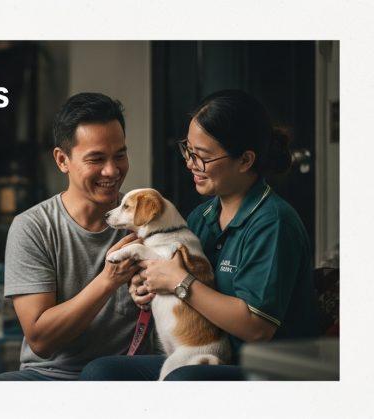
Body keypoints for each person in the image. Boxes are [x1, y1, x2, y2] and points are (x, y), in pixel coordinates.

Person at [80, 89, 320, 381]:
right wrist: (149, 287)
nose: (190, 163)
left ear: (244, 161)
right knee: (100, 372)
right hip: (203, 355)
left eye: (202, 156)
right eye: (188, 150)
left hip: (267, 367)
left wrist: (179, 282)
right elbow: (180, 288)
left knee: (184, 381)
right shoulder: (200, 217)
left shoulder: (274, 223)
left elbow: (256, 328)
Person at [0, 93, 151, 380]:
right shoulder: (33, 227)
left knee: (103, 374)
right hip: (48, 375)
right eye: (96, 159)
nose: (112, 170)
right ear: (62, 160)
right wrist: (109, 280)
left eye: (120, 155)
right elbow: (41, 340)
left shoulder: (145, 220)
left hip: (122, 373)